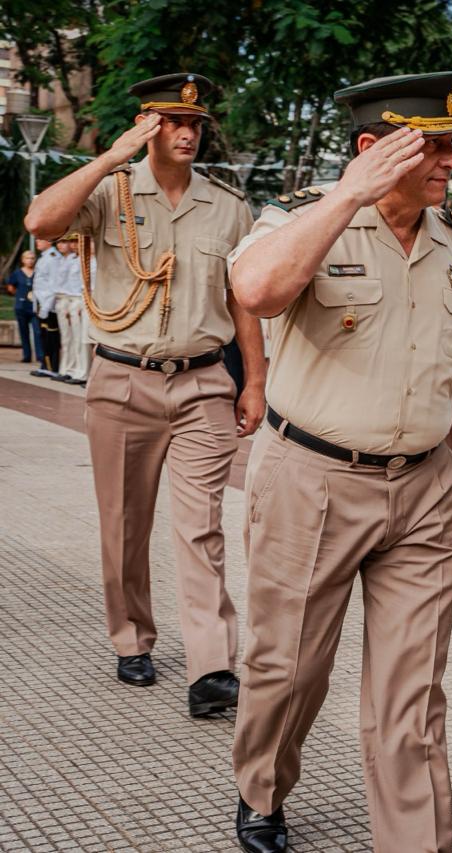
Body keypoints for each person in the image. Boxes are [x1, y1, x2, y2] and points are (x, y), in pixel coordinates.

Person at [225, 72, 452, 853]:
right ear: (373, 149)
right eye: (433, 146)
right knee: (289, 666)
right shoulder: (300, 220)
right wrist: (346, 197)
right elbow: (258, 288)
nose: (451, 162)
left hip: (425, 492)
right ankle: (262, 790)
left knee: (412, 693)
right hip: (313, 477)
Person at [23, 73, 264, 712]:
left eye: (193, 124)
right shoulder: (110, 192)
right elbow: (41, 220)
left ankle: (213, 667)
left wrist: (256, 382)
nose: (186, 133)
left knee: (201, 528)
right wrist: (110, 155)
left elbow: (243, 302)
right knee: (124, 526)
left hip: (204, 383)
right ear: (146, 125)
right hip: (121, 381)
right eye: (169, 122)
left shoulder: (228, 205)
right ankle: (131, 639)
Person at [51, 235, 91, 384]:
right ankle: (70, 369)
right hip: (68, 300)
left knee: (81, 340)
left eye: (75, 241)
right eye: (72, 241)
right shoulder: (71, 260)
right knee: (69, 339)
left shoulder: (90, 261)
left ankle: (82, 372)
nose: (73, 245)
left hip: (81, 300)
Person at [31, 237, 64, 377]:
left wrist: (46, 306)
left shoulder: (53, 258)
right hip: (42, 302)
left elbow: (54, 284)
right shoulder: (45, 256)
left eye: (40, 239)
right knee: (43, 336)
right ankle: (46, 365)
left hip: (49, 305)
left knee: (51, 337)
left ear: (49, 241)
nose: (37, 242)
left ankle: (53, 367)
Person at [5, 249, 42, 364]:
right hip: (21, 307)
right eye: (27, 258)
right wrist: (19, 294)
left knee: (37, 331)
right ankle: (27, 356)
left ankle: (40, 355)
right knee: (24, 332)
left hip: (35, 308)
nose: (30, 261)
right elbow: (10, 287)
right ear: (23, 260)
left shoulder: (38, 272)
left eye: (32, 258)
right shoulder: (17, 273)